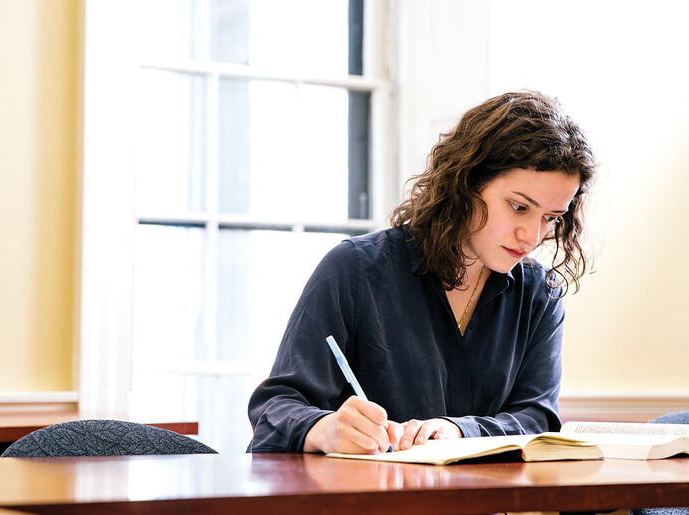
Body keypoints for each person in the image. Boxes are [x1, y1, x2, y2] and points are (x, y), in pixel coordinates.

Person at [248, 90, 597, 454]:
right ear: (466, 182)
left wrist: (459, 430)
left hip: (484, 506)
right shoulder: (354, 270)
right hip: (364, 505)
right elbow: (275, 406)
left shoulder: (539, 296)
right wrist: (323, 428)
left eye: (550, 218)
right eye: (518, 207)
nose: (532, 236)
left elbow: (537, 418)